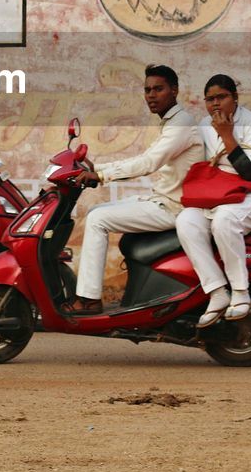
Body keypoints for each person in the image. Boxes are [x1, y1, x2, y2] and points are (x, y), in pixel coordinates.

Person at [66, 64, 205, 314]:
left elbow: (148, 163)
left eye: (158, 89)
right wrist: (96, 167)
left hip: (173, 208)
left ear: (174, 91)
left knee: (97, 218)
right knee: (98, 211)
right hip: (160, 200)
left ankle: (88, 300)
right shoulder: (171, 122)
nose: (151, 95)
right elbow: (146, 157)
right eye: (147, 90)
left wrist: (99, 174)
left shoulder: (181, 125)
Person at [176, 74, 251, 327]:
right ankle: (217, 291)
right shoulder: (204, 125)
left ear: (235, 98)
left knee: (225, 220)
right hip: (223, 194)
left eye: (221, 97)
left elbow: (250, 172)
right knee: (186, 220)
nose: (216, 104)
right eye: (210, 99)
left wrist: (226, 134)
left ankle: (240, 292)